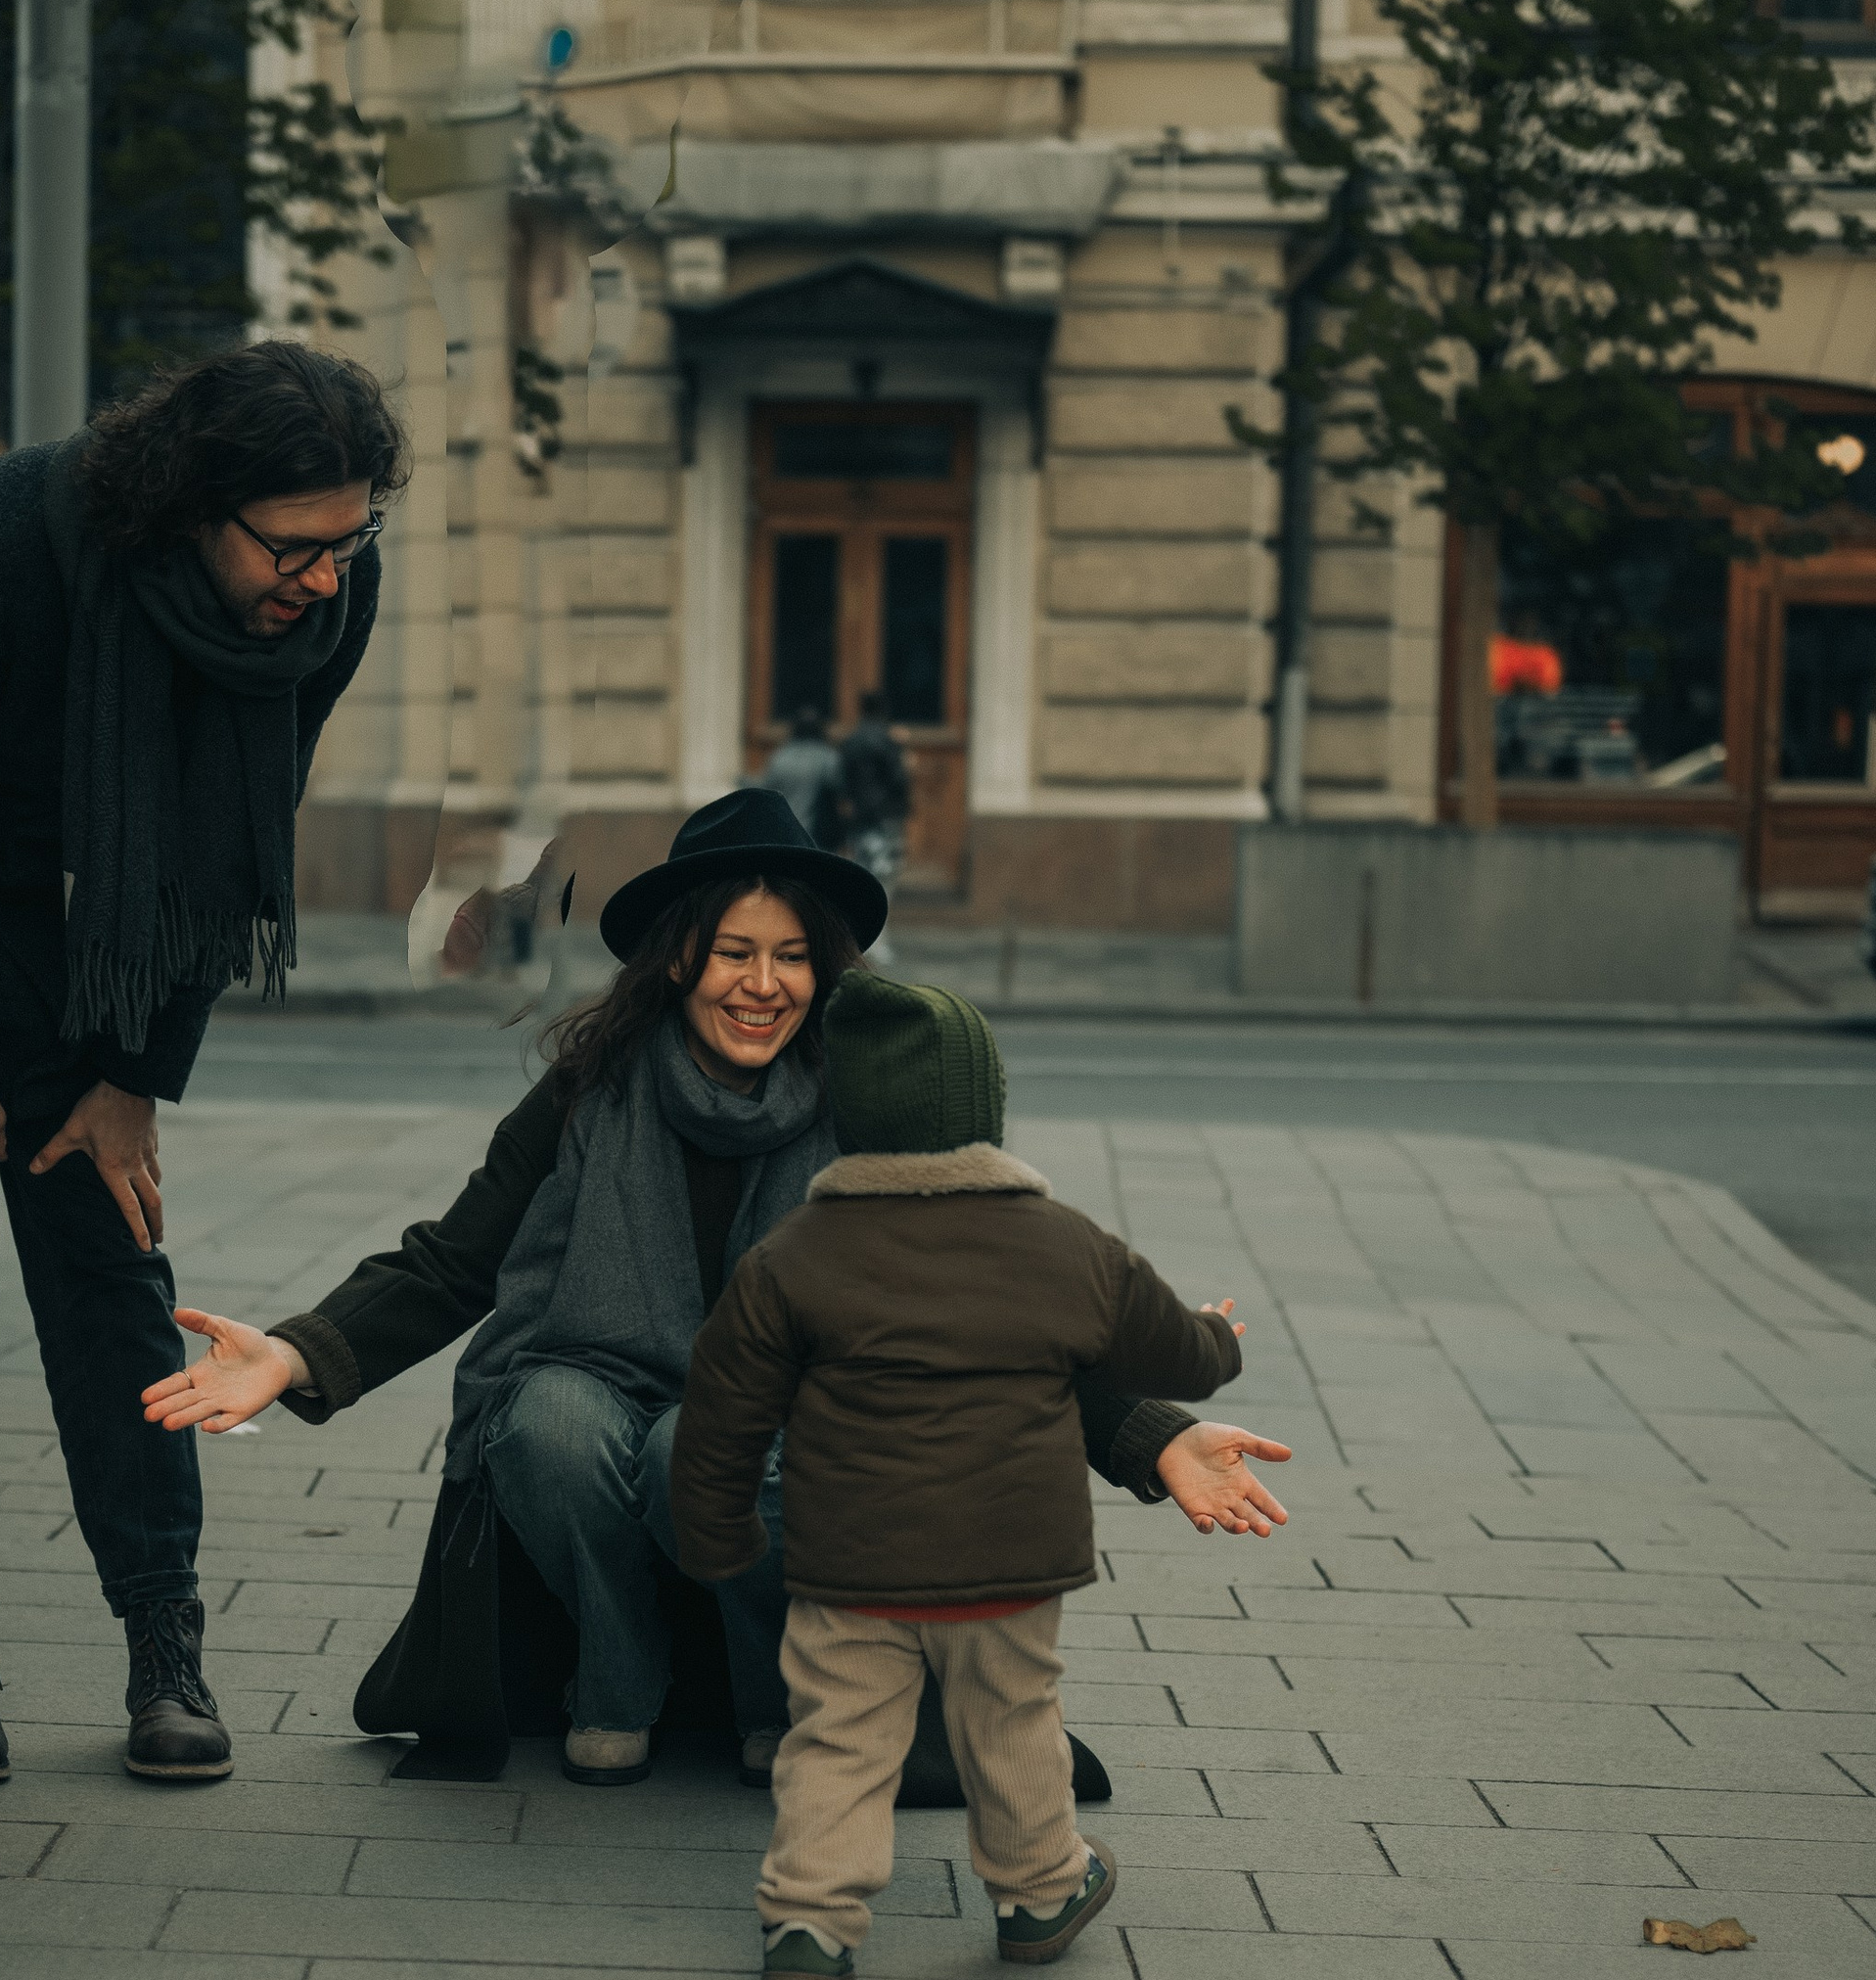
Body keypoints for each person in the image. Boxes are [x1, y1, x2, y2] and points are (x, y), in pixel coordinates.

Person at [140, 793, 1294, 1788]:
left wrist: (1151, 1438)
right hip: (587, 1393)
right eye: (734, 951)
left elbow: (975, 1309)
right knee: (541, 1416)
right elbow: (455, 1256)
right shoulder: (590, 1087)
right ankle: (618, 1672)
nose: (763, 984)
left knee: (710, 1437)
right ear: (680, 954)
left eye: (791, 955)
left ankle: (774, 1698)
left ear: (826, 967)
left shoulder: (866, 1112)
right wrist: (298, 1354)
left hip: (763, 1435)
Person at [0, 340, 407, 1785]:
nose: (326, 575)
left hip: (87, 892)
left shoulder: (323, 601)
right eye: (295, 545)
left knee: (110, 1249)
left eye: (352, 538)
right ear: (192, 502)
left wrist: (131, 1075)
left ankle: (163, 1644)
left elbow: (230, 844)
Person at [670, 965, 1256, 1980]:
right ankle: (1039, 1893)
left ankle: (808, 1925)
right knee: (1012, 1720)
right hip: (1007, 1562)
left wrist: (715, 1541)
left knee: (840, 1736)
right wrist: (1218, 1341)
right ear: (984, 1109)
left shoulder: (792, 1255)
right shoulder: (1065, 1243)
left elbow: (722, 1413)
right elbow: (1168, 1352)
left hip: (851, 1568)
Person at [834, 690, 913, 883]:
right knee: (885, 869)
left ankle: (865, 910)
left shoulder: (851, 741)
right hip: (886, 812)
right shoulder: (889, 742)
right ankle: (880, 910)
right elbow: (898, 779)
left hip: (859, 812)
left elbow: (841, 780)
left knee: (861, 866)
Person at [763, 707, 846, 846]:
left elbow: (766, 789)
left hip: (784, 833)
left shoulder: (779, 757)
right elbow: (840, 787)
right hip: (815, 838)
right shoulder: (827, 757)